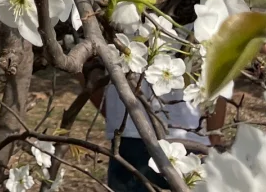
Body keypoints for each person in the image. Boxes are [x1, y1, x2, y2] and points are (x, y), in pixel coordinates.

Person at [85, 61, 225, 192]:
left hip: (141, 137)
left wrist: (116, 115)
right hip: (136, 139)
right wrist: (215, 136)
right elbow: (221, 79)